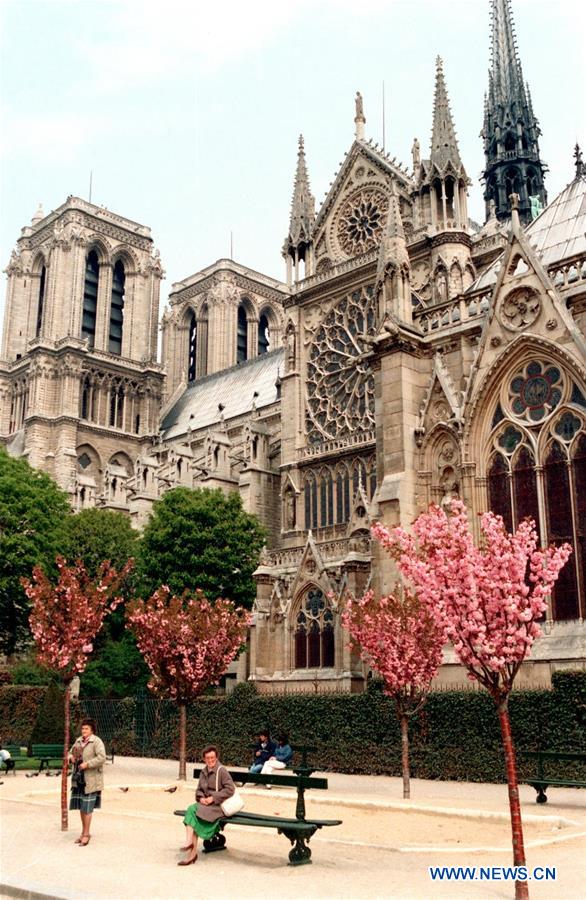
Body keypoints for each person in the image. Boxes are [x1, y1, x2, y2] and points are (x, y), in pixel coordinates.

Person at [179, 745, 235, 866]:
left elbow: (230, 789)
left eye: (212, 757)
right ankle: (191, 852)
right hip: (206, 806)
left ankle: (190, 848)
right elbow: (199, 789)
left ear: (216, 757)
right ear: (204, 759)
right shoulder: (203, 772)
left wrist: (213, 798)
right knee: (192, 812)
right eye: (208, 758)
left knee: (192, 811)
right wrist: (201, 798)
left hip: (218, 806)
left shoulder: (222, 771)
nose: (210, 760)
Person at [69, 718, 106, 846]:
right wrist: (71, 758)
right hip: (79, 779)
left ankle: (86, 834)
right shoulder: (78, 741)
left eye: (86, 729)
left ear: (92, 730)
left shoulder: (97, 741)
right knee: (81, 807)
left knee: (87, 808)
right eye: (83, 728)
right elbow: (70, 753)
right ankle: (83, 832)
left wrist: (88, 764)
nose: (84, 731)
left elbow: (102, 757)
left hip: (91, 780)